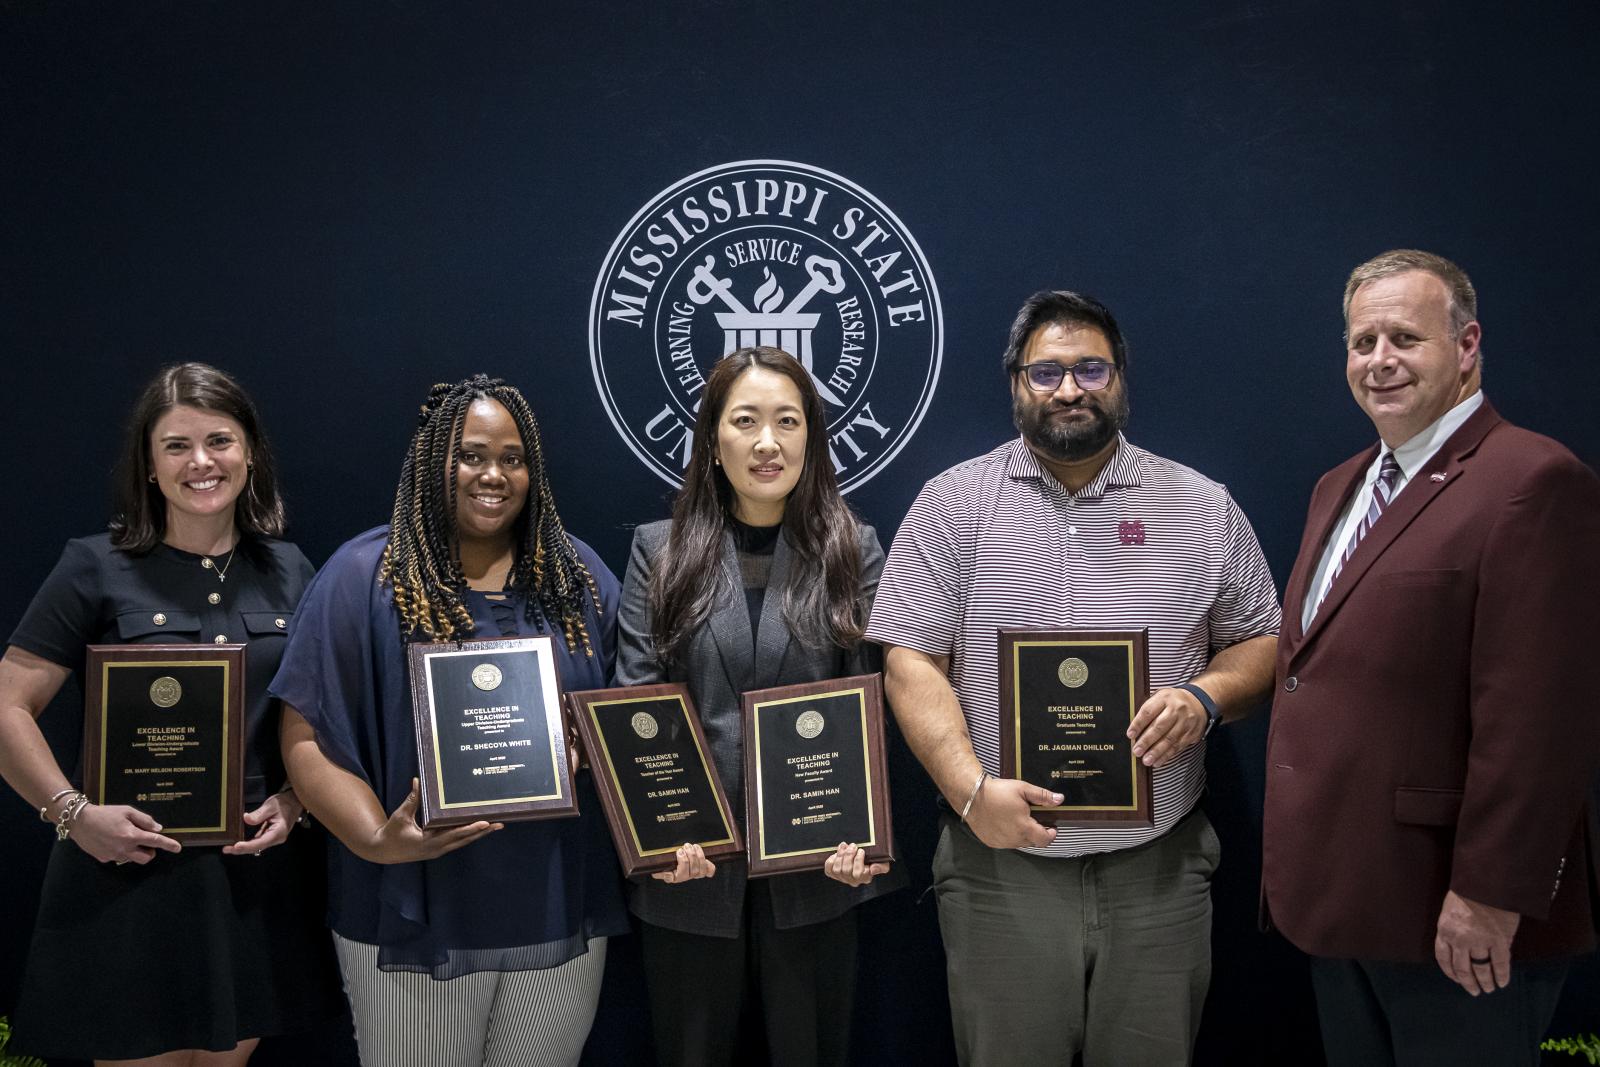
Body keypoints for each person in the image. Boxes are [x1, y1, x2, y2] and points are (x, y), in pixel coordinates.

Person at [866, 291, 1281, 1066]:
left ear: (1121, 378)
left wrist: (1206, 695)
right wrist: (968, 791)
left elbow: (1262, 639)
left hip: (1158, 870)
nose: (1068, 388)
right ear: (1016, 385)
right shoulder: (954, 504)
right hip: (999, 870)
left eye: (1090, 368)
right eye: (1046, 370)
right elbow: (911, 659)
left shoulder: (1201, 506)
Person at [1260, 250, 1600, 1066]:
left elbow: (1539, 720)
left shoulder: (1533, 479)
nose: (1379, 361)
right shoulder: (1336, 485)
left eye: (1405, 338)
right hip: (1341, 901)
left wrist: (1491, 894)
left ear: (1468, 344)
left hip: (1456, 915)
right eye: (1363, 340)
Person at [271, 375, 627, 1067]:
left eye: (513, 457)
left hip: (556, 902)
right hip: (414, 902)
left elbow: (627, 714)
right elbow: (304, 733)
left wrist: (592, 744)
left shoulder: (577, 577)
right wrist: (376, 837)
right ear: (432, 459)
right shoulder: (361, 577)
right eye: (470, 454)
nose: (493, 474)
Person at [0, 362, 342, 1065]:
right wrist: (72, 812)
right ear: (149, 465)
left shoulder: (292, 569)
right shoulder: (94, 565)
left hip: (252, 877)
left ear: (249, 453)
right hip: (125, 873)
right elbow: (7, 704)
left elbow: (321, 716)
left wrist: (294, 800)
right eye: (177, 445)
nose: (202, 462)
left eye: (219, 440)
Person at [616, 346, 904, 1067]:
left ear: (812, 434)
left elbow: (870, 709)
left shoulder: (852, 548)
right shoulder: (661, 550)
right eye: (745, 420)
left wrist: (858, 839)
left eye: (787, 420)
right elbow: (636, 703)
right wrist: (661, 834)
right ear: (714, 438)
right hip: (689, 874)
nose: (768, 441)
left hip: (816, 872)